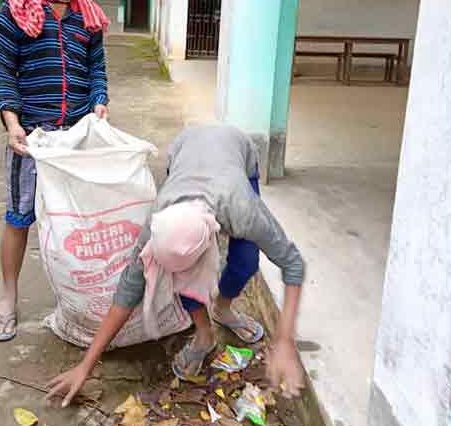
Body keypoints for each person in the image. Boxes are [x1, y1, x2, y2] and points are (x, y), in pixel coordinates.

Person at [46, 125, 307, 406]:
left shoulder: (243, 210)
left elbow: (293, 265)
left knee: (246, 262)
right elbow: (127, 291)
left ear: (211, 242)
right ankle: (204, 334)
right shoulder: (158, 220)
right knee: (182, 273)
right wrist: (85, 366)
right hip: (186, 148)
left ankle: (223, 308)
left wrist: (284, 342)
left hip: (237, 156)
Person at [0, 0, 111, 342]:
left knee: (74, 222)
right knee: (20, 217)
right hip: (32, 136)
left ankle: (74, 299)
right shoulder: (17, 6)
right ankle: (8, 297)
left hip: (75, 135)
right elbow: (5, 71)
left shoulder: (86, 13)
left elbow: (96, 67)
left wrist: (99, 99)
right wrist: (12, 124)